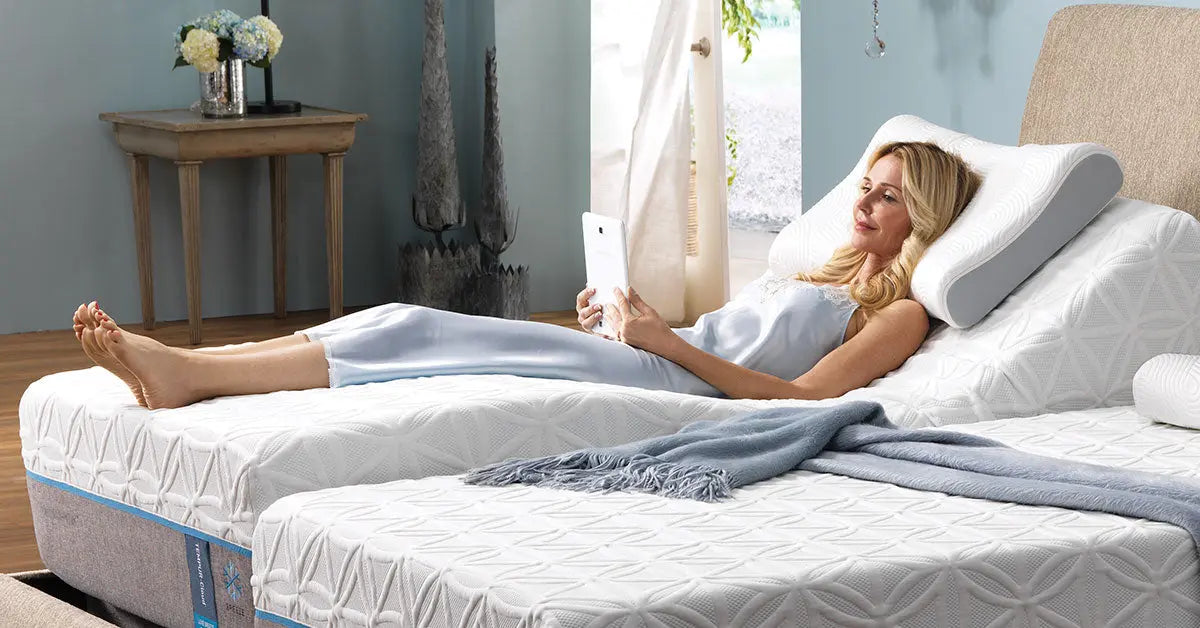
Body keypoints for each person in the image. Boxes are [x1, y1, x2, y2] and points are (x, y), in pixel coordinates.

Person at [72, 141, 981, 410]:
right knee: (390, 319)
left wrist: (661, 344)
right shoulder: (821, 273)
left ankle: (188, 374)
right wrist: (633, 320)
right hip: (654, 355)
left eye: (889, 196)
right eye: (866, 185)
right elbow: (726, 339)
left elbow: (801, 400)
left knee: (412, 326)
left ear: (926, 218)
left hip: (668, 381)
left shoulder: (899, 315)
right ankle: (194, 368)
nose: (865, 203)